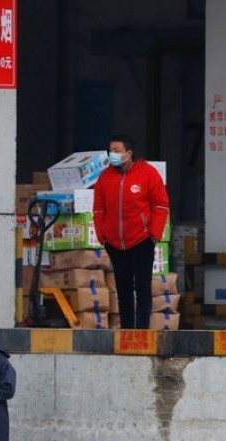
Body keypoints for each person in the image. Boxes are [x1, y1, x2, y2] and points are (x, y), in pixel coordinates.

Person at [93, 134, 170, 329]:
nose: (113, 155)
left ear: (129, 153)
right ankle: (127, 331)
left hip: (142, 241)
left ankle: (142, 331)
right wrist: (103, 237)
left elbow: (161, 206)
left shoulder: (148, 173)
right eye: (111, 151)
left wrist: (153, 235)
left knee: (142, 288)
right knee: (123, 289)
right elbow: (98, 210)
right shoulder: (105, 177)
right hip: (115, 243)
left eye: (117, 151)